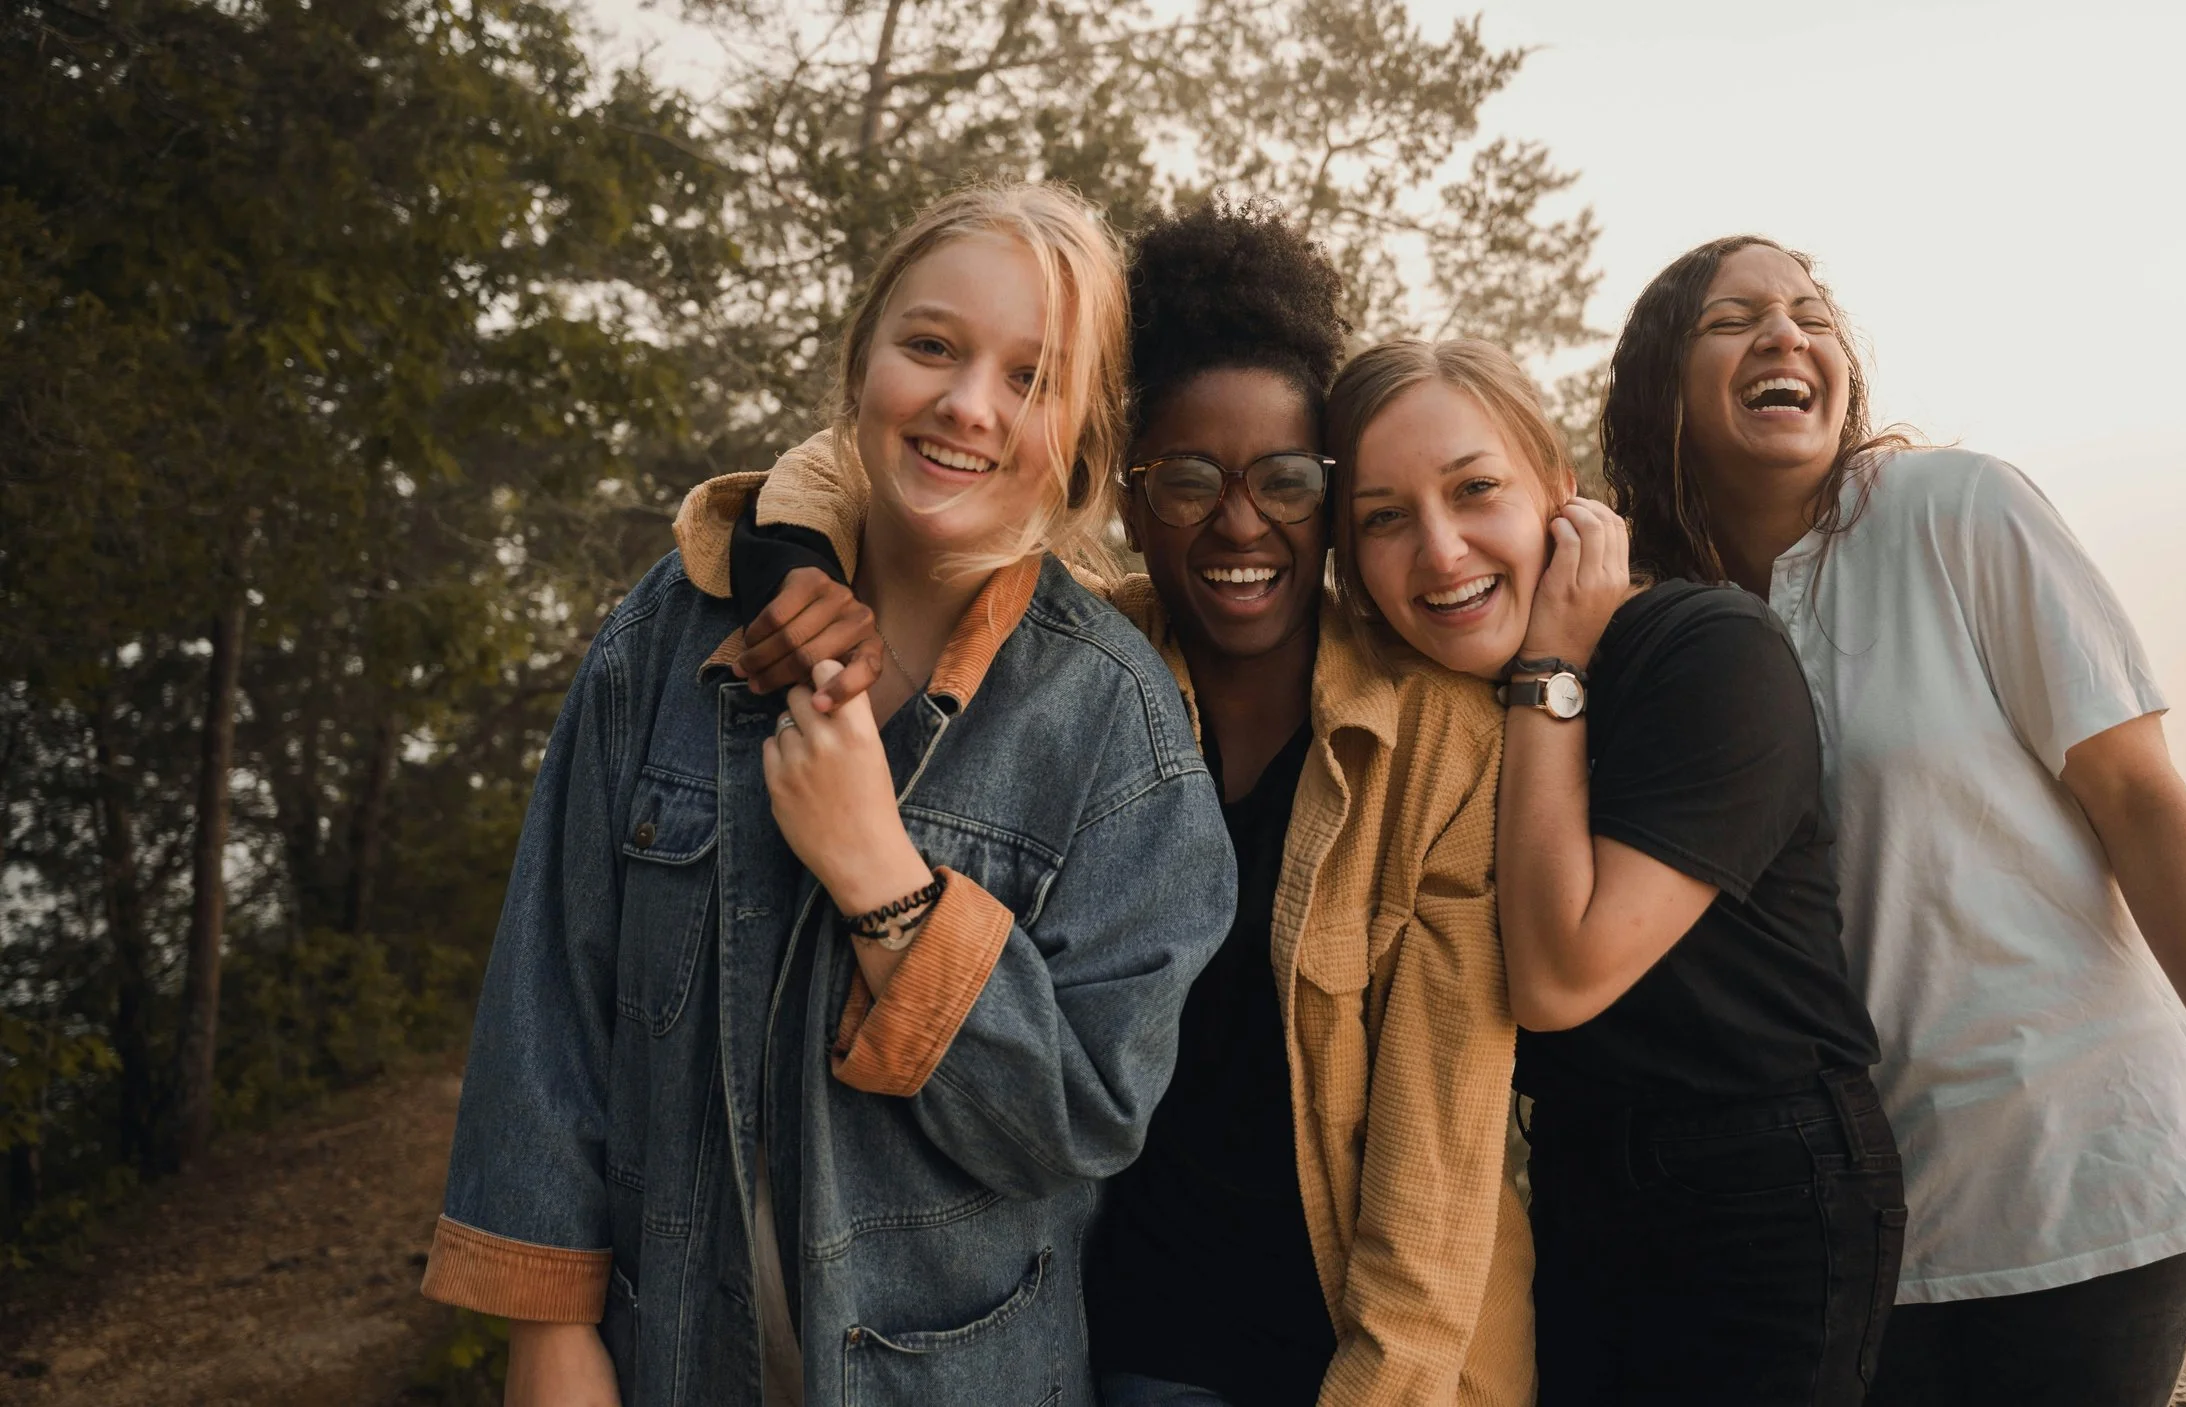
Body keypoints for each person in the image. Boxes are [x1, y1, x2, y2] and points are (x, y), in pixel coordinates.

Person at [676, 200, 1535, 1407]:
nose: (1240, 522)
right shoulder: (1073, 675)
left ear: (1332, 496)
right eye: (1186, 477)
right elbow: (834, 463)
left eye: (1284, 479)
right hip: (1111, 1348)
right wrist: (793, 551)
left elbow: (1440, 1148)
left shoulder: (1439, 735)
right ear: (1123, 492)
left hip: (1371, 1357)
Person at [420, 182, 1235, 1407]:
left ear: (1081, 433)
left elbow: (1084, 1115)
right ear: (862, 362)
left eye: (1031, 377)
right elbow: (551, 991)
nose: (968, 405)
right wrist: (547, 1329)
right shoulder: (670, 632)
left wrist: (882, 881)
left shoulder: (1117, 725)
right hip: (665, 1360)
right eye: (932, 347)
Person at [1599, 234, 2186, 1406]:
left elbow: (2139, 799)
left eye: (1809, 313)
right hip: (1845, 1209)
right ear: (1663, 389)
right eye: (1731, 318)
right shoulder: (1652, 623)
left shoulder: (1957, 510)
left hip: (2076, 1167)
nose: (1786, 335)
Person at [1328, 337, 1902, 1404]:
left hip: (1759, 1185)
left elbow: (1557, 978)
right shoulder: (1429, 712)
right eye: (1383, 517)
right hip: (1580, 1188)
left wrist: (1550, 672)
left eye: (1475, 490)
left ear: (1558, 490)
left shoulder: (1707, 649)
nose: (1442, 552)